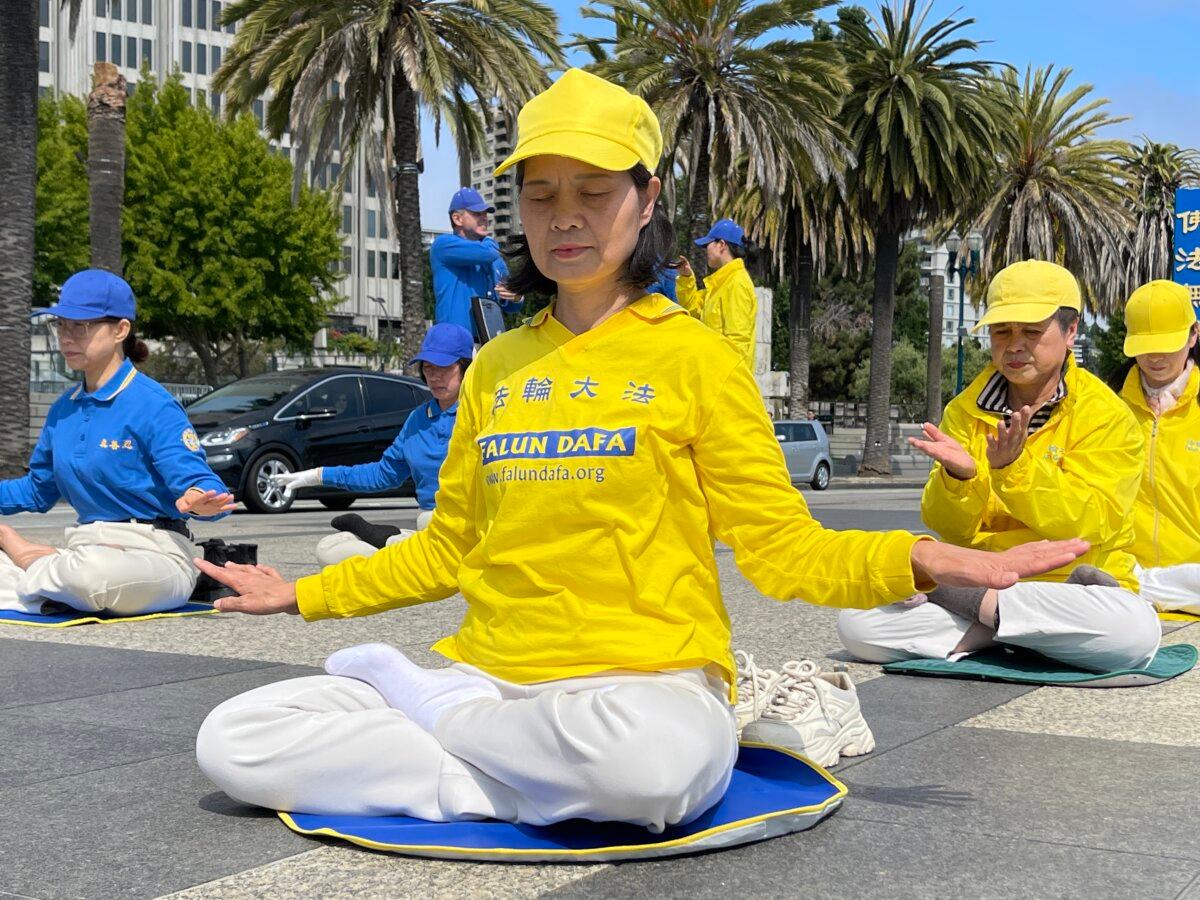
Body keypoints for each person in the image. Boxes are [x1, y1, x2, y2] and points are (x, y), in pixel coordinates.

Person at [193, 70, 1087, 832]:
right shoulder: (499, 366)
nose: (564, 218)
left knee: (658, 769)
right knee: (234, 739)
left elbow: (783, 551)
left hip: (646, 681)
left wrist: (921, 559)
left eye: (594, 192)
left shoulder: (694, 356)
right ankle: (478, 747)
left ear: (649, 197)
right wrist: (306, 593)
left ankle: (440, 740)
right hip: (493, 674)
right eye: (540, 195)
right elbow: (450, 547)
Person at [839, 260, 1161, 673]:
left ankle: (982, 617)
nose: (1014, 346)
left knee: (1134, 634)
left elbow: (1090, 522)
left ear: (1071, 331)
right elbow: (950, 529)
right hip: (984, 579)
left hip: (1065, 588)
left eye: (1031, 332)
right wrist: (961, 479)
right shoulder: (964, 410)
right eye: (1001, 331)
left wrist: (1014, 469)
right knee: (857, 625)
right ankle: (1020, 630)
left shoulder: (1107, 416)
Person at [0, 269, 234, 616]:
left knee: (93, 577)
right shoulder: (63, 409)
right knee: (86, 572)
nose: (66, 337)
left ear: (120, 330)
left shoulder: (153, 404)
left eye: (80, 326)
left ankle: (25, 557)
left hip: (154, 552)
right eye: (61, 325)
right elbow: (37, 491)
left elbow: (197, 481)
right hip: (85, 546)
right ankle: (45, 574)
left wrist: (202, 499)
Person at [272, 324, 473, 566]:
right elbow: (382, 474)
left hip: (469, 525)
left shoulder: (481, 411)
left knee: (427, 525)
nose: (435, 376)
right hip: (431, 524)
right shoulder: (418, 419)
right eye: (428, 368)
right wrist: (318, 475)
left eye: (444, 368)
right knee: (328, 550)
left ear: (466, 367)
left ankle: (392, 543)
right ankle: (395, 544)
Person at [1111, 280, 1200, 615]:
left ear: (1194, 334)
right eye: (1145, 345)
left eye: (1168, 343)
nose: (1155, 356)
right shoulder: (1106, 405)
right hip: (1124, 578)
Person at [430, 188, 523, 342]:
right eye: (477, 214)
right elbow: (487, 253)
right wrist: (490, 242)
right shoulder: (443, 245)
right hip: (454, 342)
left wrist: (516, 296)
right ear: (457, 219)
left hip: (489, 341)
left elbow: (512, 307)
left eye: (485, 214)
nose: (484, 218)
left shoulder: (492, 252)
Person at [675, 218, 757, 370]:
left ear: (721, 245)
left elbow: (738, 342)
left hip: (725, 381)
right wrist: (686, 278)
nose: (705, 249)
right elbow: (693, 308)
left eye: (708, 244)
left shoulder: (736, 283)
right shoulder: (721, 284)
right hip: (714, 374)